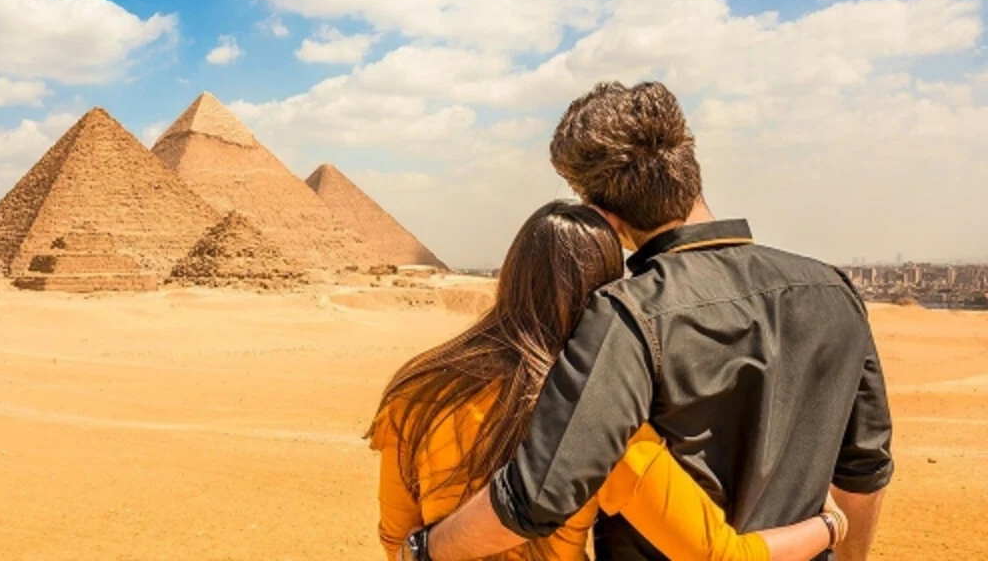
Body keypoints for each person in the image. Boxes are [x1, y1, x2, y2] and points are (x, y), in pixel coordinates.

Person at [398, 82, 893, 561]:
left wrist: (425, 550)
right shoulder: (833, 291)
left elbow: (541, 492)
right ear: (691, 170)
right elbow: (863, 471)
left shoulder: (627, 313)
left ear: (602, 216)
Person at [373, 201, 849, 561]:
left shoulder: (416, 392)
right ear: (605, 289)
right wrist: (830, 524)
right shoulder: (594, 418)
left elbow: (397, 540)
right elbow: (721, 555)